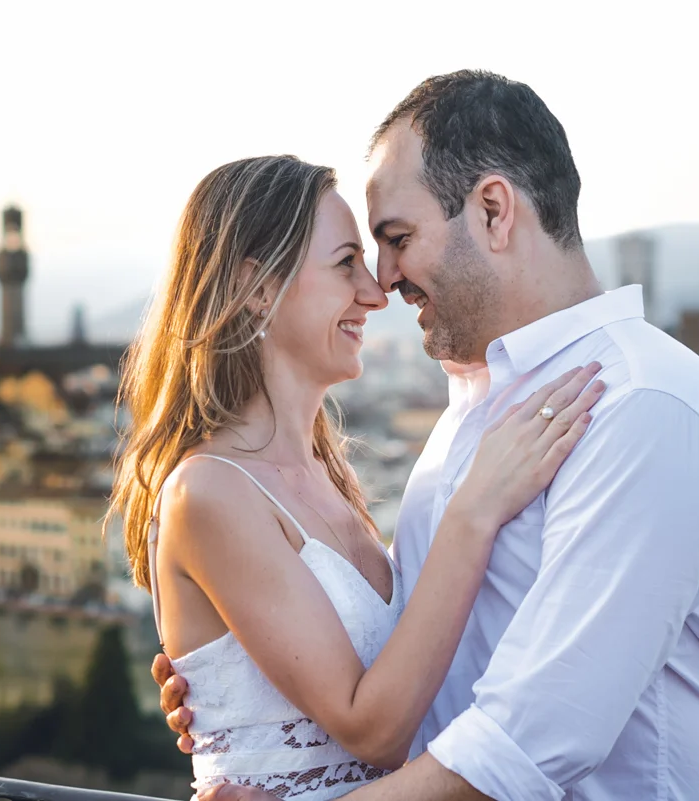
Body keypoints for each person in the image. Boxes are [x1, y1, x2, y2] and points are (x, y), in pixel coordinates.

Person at [156, 70, 699, 801]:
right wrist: (242, 691)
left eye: (397, 239)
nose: (383, 283)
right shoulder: (468, 420)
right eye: (357, 257)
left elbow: (528, 740)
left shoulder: (642, 404)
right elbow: (404, 670)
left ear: (495, 212)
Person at [111, 153, 605, 800]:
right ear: (258, 286)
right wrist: (474, 511)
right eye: (346, 263)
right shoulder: (209, 491)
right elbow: (372, 729)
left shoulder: (326, 473)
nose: (375, 293)